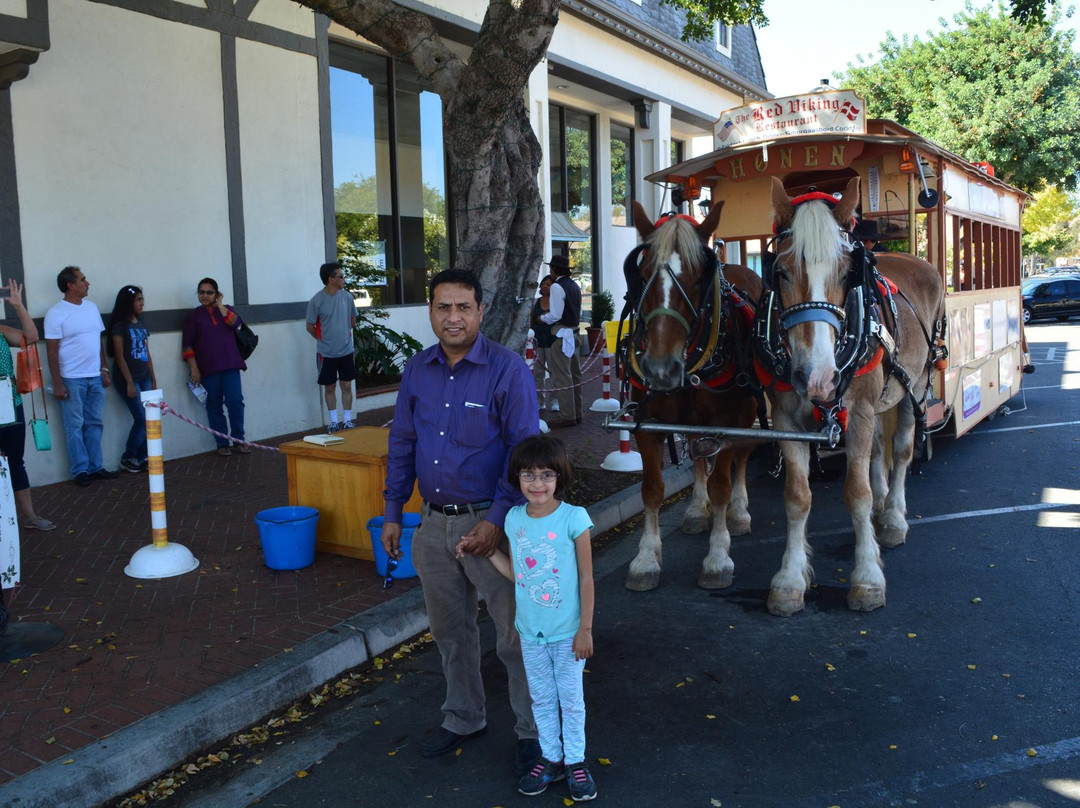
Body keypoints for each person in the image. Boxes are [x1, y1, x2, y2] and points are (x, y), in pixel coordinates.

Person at [381, 268, 542, 775]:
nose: (453, 317)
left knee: (516, 637)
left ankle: (534, 733)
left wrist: (495, 520)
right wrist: (392, 512)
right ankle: (464, 717)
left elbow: (524, 453)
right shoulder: (417, 370)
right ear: (431, 311)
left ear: (480, 312)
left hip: (495, 528)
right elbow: (402, 443)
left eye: (463, 308)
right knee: (450, 632)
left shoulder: (507, 370)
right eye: (443, 307)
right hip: (432, 527)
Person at [456, 434, 597, 801]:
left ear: (560, 477)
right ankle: (551, 758)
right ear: (516, 478)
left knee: (571, 698)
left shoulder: (574, 518)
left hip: (568, 633)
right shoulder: (515, 520)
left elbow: (586, 578)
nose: (538, 484)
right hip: (532, 633)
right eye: (529, 475)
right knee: (542, 699)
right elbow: (519, 575)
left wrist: (585, 630)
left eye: (547, 475)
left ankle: (576, 762)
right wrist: (483, 552)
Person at [44, 266, 118, 487]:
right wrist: (57, 382)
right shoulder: (56, 313)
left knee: (95, 423)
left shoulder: (91, 308)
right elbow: (51, 351)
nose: (88, 283)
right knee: (74, 425)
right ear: (70, 285)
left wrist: (104, 369)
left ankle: (96, 467)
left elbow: (97, 341)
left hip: (95, 376)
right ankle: (80, 470)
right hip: (71, 378)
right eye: (83, 280)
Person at [0, 278, 55, 529]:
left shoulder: (0, 330)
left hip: (10, 404)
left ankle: (30, 517)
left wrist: (18, 306)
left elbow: (30, 338)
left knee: (15, 461)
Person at [182, 278, 248, 457]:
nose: (204, 296)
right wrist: (194, 369)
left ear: (217, 293)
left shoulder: (226, 310)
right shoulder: (193, 317)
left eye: (209, 292)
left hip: (230, 364)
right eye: (201, 292)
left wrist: (219, 304)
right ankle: (221, 442)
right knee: (214, 405)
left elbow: (236, 323)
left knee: (235, 402)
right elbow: (187, 346)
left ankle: (239, 439)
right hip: (208, 368)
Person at [108, 285, 157, 473]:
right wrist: (129, 382)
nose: (142, 303)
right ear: (128, 303)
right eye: (138, 300)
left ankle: (143, 456)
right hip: (127, 378)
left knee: (150, 418)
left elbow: (147, 353)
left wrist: (153, 379)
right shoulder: (120, 326)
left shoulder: (141, 324)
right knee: (141, 418)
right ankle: (128, 457)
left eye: (142, 299)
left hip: (144, 376)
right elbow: (119, 356)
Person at [305, 262, 357, 433]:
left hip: (346, 351)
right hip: (326, 353)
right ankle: (333, 421)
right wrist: (323, 340)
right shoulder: (316, 301)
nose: (344, 279)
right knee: (329, 387)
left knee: (347, 385)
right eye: (340, 276)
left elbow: (352, 321)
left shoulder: (348, 297)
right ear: (330, 279)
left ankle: (348, 420)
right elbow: (310, 326)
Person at [539, 255, 583, 428]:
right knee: (575, 375)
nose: (550, 271)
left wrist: (542, 318)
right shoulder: (574, 285)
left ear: (555, 269)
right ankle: (577, 413)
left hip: (561, 333)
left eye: (551, 268)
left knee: (562, 376)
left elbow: (555, 315)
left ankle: (567, 415)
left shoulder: (557, 286)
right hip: (574, 332)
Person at [531, 274, 557, 412]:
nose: (545, 286)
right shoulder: (536, 302)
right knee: (538, 373)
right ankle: (539, 401)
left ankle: (554, 401)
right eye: (543, 284)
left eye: (548, 284)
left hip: (552, 341)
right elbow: (531, 320)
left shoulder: (556, 302)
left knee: (554, 372)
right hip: (538, 341)